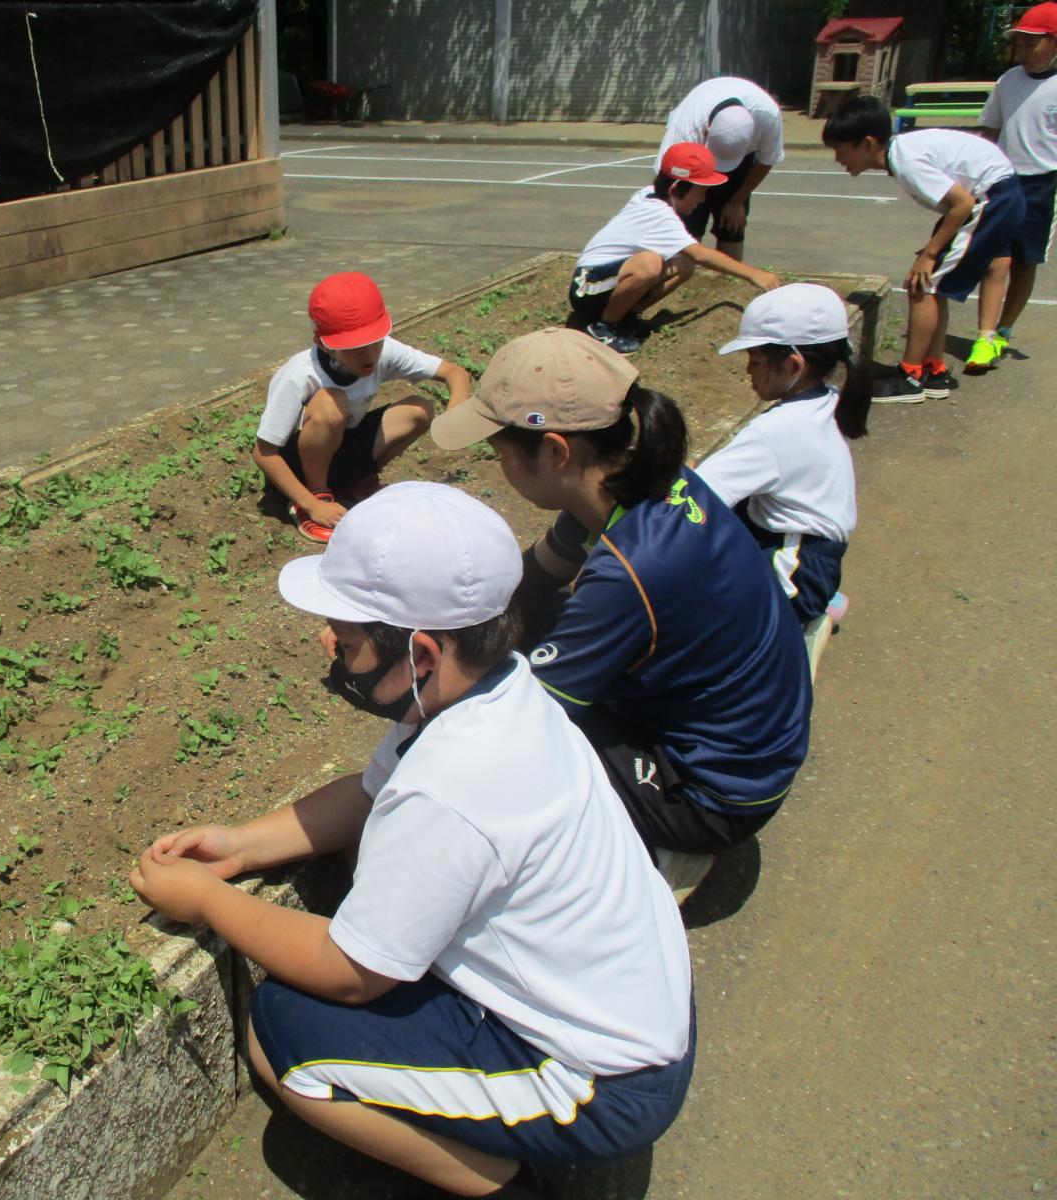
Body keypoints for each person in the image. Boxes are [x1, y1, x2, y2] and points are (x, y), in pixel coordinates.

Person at [131, 482, 693, 1198]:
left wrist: (209, 901)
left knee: (286, 1038)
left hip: (602, 1080)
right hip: (638, 1007)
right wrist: (243, 847)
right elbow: (368, 794)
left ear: (423, 652)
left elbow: (350, 972)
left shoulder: (452, 786)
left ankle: (505, 1183)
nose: (327, 643)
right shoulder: (496, 690)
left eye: (351, 636)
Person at [431, 329, 811, 895]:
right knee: (525, 635)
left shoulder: (632, 571)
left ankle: (636, 859)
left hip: (715, 794)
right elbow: (536, 576)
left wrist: (426, 684)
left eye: (498, 450)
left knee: (490, 738)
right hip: (750, 736)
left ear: (555, 451)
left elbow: (524, 715)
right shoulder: (640, 484)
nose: (497, 464)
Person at [823, 96, 1025, 402]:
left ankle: (910, 378)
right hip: (994, 196)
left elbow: (963, 204)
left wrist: (931, 253)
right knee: (930, 284)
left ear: (867, 144)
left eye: (841, 151)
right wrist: (934, 249)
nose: (839, 159)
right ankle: (934, 370)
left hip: (990, 201)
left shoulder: (907, 161)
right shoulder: (901, 153)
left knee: (923, 284)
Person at [254, 272, 471, 543]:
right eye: (355, 348)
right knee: (331, 404)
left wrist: (456, 415)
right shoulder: (300, 375)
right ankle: (317, 495)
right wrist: (311, 503)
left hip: (344, 446)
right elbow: (264, 453)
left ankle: (357, 482)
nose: (369, 355)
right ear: (322, 342)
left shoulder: (385, 352)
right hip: (298, 464)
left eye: (375, 342)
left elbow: (455, 373)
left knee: (419, 411)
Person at [699, 283, 869, 626]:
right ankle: (823, 600)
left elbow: (695, 495)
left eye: (755, 360)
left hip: (794, 574)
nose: (748, 371)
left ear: (794, 366)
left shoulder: (775, 431)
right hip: (817, 556)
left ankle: (781, 631)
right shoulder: (827, 399)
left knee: (679, 591)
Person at [570, 143, 781, 355]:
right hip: (587, 284)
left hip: (602, 282)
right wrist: (754, 274)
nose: (702, 199)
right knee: (649, 263)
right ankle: (603, 327)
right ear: (676, 188)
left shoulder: (649, 194)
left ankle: (625, 317)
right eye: (700, 191)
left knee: (683, 265)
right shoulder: (658, 214)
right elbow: (700, 254)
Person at [975, 1, 1057, 364]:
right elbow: (990, 128)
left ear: (1054, 42)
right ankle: (986, 335)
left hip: (1044, 185)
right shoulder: (1008, 81)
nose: (1021, 51)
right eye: (1019, 43)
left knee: (1025, 261)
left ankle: (1004, 330)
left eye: (1031, 43)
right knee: (997, 260)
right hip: (1004, 181)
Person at [657, 76, 787, 262]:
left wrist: (737, 202)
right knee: (685, 229)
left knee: (732, 226)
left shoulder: (768, 116)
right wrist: (675, 208)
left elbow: (767, 160)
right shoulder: (687, 127)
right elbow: (664, 179)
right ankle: (682, 271)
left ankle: (729, 277)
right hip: (694, 159)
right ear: (706, 131)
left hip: (742, 163)